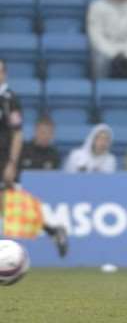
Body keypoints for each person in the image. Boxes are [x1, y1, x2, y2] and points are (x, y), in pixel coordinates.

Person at [0, 60, 68, 257]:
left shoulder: (9, 99)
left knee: (9, 205)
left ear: (4, 74)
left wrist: (12, 163)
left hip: (4, 160)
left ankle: (52, 230)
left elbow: (18, 133)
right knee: (7, 206)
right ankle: (53, 230)